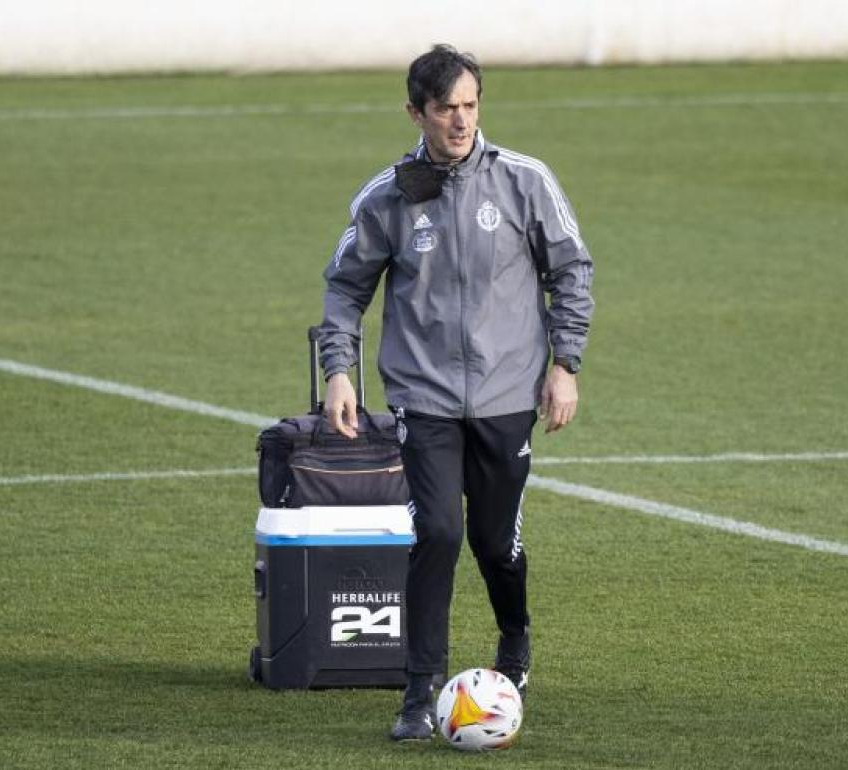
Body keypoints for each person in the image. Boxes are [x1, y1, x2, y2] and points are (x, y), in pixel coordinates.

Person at [317, 43, 595, 742]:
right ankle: (418, 694)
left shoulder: (525, 181)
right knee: (436, 533)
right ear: (416, 112)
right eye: (446, 109)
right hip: (425, 397)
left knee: (495, 542)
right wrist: (339, 371)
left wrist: (566, 364)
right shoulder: (386, 196)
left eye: (471, 106)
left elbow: (572, 269)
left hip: (508, 395)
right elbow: (345, 288)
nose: (461, 121)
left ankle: (515, 639)